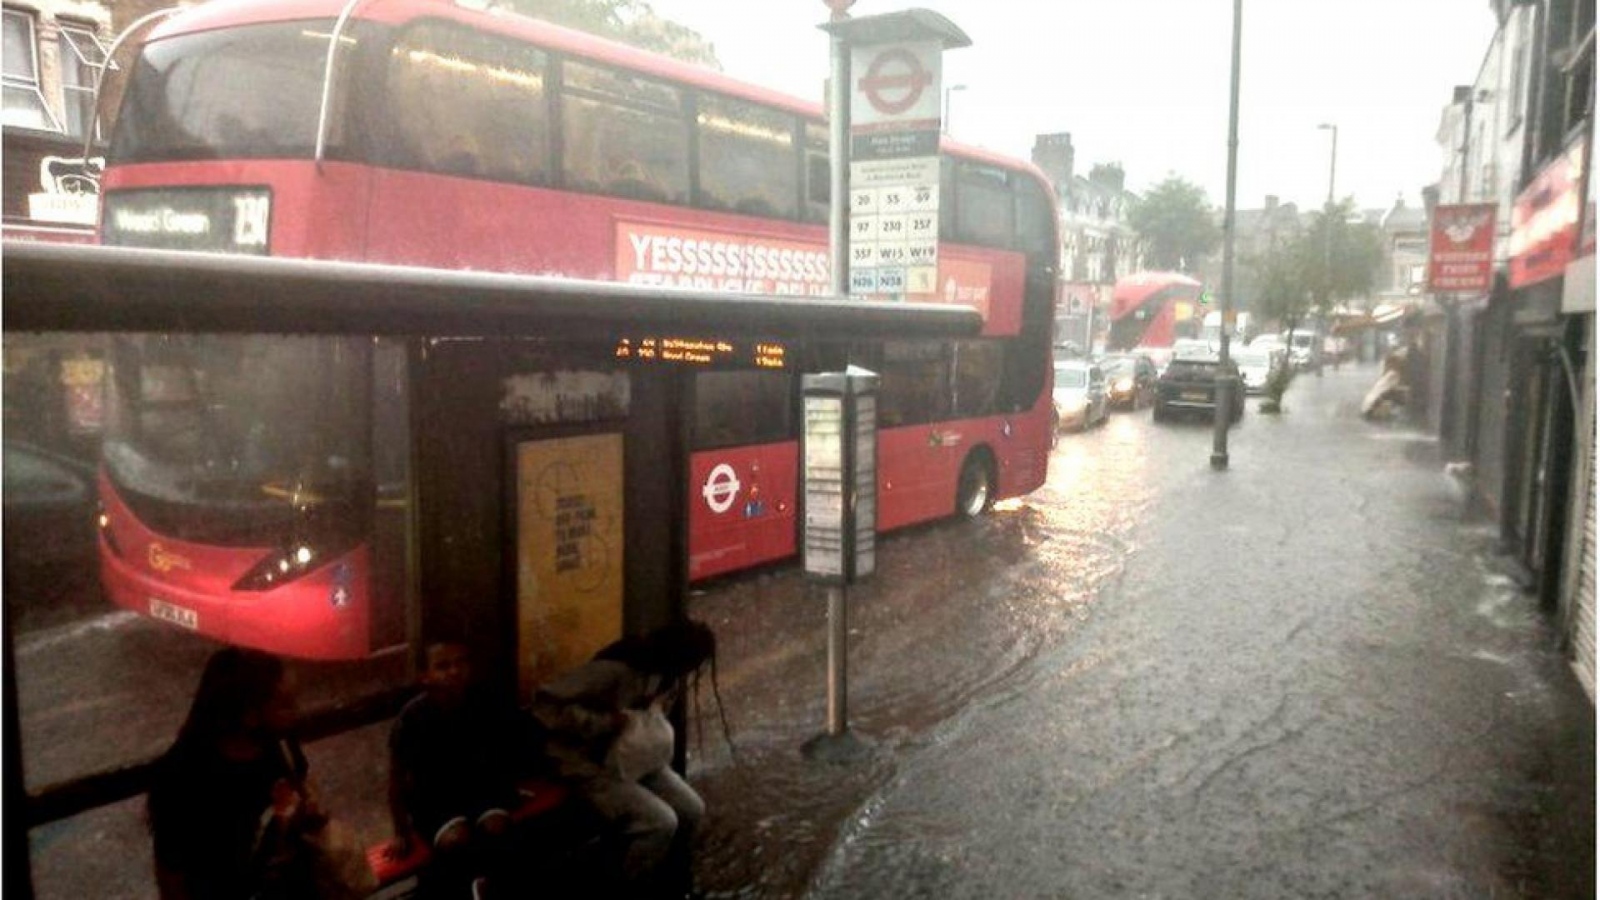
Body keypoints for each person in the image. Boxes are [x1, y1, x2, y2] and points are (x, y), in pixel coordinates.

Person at [530, 619, 725, 896]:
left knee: (692, 809)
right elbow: (545, 704)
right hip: (587, 762)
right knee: (659, 821)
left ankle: (665, 874)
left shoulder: (665, 674)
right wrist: (604, 723)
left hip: (634, 758)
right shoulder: (614, 669)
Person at [147, 648, 322, 899]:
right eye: (284, 705)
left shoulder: (279, 742)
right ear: (249, 716)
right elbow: (171, 875)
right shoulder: (183, 776)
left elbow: (301, 788)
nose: (296, 712)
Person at [386, 640, 524, 898]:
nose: (455, 671)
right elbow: (396, 778)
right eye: (443, 666)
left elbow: (502, 748)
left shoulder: (482, 700)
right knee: (455, 840)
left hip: (479, 787)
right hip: (434, 797)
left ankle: (484, 884)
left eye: (461, 662)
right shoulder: (412, 717)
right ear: (424, 676)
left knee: (498, 828)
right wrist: (400, 829)